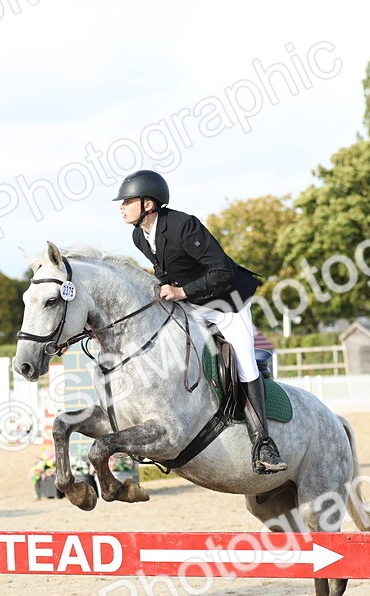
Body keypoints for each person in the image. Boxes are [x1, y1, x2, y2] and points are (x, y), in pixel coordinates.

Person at [114, 169, 287, 474]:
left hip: (227, 302)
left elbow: (221, 271)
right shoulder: (139, 236)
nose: (121, 206)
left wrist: (181, 291)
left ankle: (263, 444)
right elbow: (165, 273)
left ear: (149, 204)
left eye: (128, 200)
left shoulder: (184, 225)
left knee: (244, 360)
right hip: (192, 304)